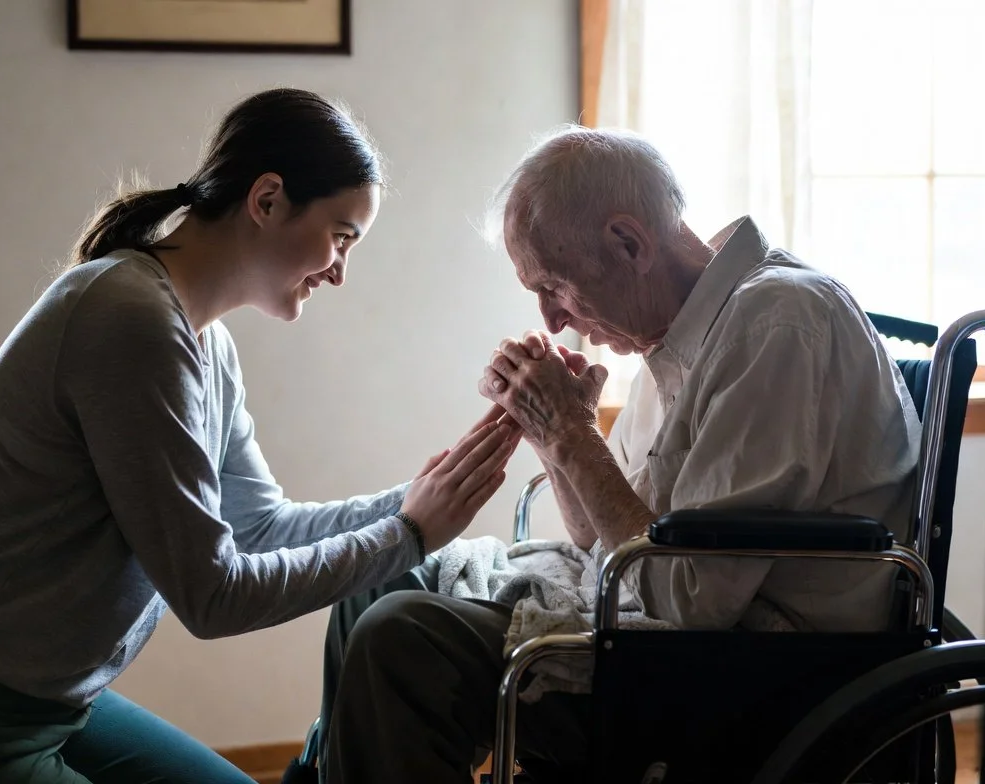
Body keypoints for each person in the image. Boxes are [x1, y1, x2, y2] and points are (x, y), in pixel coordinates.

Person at [0, 88, 522, 784]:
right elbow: (213, 595)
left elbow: (257, 526)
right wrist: (408, 533)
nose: (340, 270)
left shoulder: (203, 343)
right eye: (341, 236)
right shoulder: (130, 321)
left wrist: (420, 502)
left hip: (56, 706)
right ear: (268, 199)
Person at [311, 126, 922, 783]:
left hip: (767, 667)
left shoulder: (776, 322)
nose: (551, 320)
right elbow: (605, 539)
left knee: (401, 640)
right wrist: (552, 437)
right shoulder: (684, 329)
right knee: (378, 578)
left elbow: (690, 597)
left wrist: (574, 434)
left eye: (555, 287)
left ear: (629, 243)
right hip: (677, 625)